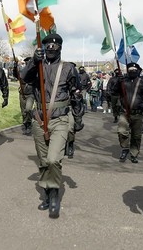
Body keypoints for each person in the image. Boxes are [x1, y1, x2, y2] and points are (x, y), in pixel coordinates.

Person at [21, 33, 84, 219]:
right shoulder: (37, 67)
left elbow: (76, 94)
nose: (50, 50)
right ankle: (47, 194)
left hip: (60, 120)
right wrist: (33, 61)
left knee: (53, 159)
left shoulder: (68, 69)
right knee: (42, 162)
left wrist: (78, 117)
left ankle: (55, 193)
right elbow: (24, 78)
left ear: (60, 49)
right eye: (47, 47)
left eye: (54, 47)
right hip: (39, 120)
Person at [113, 63, 143, 163]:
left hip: (138, 113)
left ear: (138, 70)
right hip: (124, 112)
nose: (132, 71)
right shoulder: (123, 81)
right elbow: (114, 92)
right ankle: (125, 148)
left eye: (134, 69)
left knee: (136, 135)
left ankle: (134, 153)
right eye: (130, 69)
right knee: (121, 131)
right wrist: (118, 82)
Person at [17, 57, 34, 136]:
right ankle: (25, 124)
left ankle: (29, 123)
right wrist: (14, 68)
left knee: (28, 109)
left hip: (30, 93)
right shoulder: (21, 71)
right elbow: (16, 76)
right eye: (26, 62)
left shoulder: (35, 71)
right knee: (23, 111)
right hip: (22, 93)